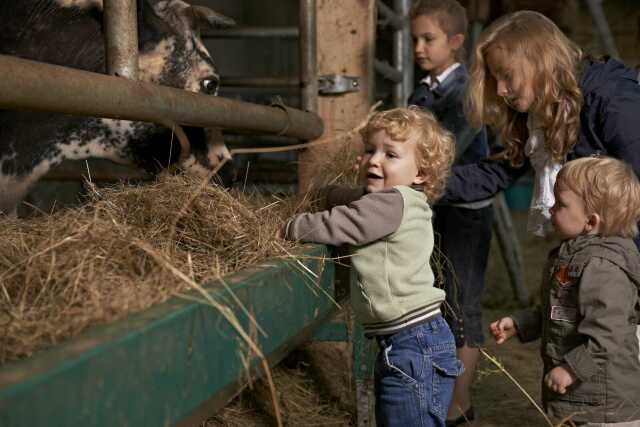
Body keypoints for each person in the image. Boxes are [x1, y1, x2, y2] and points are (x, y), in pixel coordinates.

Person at [279, 107, 462, 427]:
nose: (375, 160)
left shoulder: (389, 204)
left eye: (390, 154)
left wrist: (291, 227)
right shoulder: (402, 201)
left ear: (421, 173)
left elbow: (341, 223)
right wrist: (329, 193)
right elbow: (357, 199)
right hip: (413, 342)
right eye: (369, 150)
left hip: (412, 346)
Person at [438, 10, 640, 248]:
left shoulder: (611, 99)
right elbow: (494, 173)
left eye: (506, 75)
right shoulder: (537, 113)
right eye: (495, 79)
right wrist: (422, 182)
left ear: (538, 61)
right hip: (587, 250)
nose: (501, 90)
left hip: (623, 253)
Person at [490, 157, 640, 426]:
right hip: (580, 398)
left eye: (561, 204)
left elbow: (608, 333)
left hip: (603, 404)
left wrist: (572, 369)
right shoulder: (572, 255)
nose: (551, 208)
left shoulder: (602, 268)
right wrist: (521, 323)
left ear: (590, 221)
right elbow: (561, 309)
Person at [407, 1, 493, 425]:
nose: (419, 47)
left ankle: (459, 403)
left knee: (462, 304)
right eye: (415, 39)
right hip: (434, 208)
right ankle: (443, 395)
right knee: (439, 298)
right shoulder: (422, 89)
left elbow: (445, 151)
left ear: (456, 42)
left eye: (429, 39)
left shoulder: (465, 93)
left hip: (464, 211)